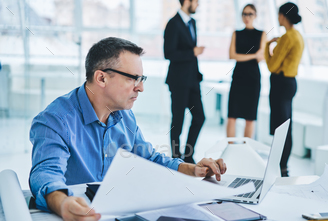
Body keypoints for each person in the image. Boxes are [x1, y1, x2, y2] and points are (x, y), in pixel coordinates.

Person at [29, 37, 227, 221]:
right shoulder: (55, 120)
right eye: (133, 78)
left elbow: (149, 158)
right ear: (101, 78)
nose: (140, 88)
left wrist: (194, 169)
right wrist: (63, 203)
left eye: (142, 79)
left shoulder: (124, 115)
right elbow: (46, 174)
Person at [265, 2, 304, 177]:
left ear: (283, 16)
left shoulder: (287, 36)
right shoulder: (298, 35)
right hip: (290, 83)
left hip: (280, 84)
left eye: (279, 14)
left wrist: (268, 46)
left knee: (281, 126)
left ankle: (281, 165)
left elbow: (272, 65)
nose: (278, 17)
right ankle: (283, 164)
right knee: (286, 123)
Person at [163, 0, 205, 164]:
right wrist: (192, 52)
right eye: (196, 1)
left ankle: (188, 154)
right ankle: (175, 157)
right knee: (178, 120)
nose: (198, 5)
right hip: (178, 81)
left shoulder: (192, 22)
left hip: (193, 80)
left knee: (199, 117)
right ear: (187, 1)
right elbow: (169, 53)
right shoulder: (173, 24)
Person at [226, 4, 266, 140]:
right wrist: (253, 55)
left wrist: (246, 56)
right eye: (244, 14)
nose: (247, 17)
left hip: (253, 78)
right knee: (232, 116)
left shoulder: (262, 34)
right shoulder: (236, 33)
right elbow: (232, 55)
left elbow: (261, 57)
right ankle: (230, 150)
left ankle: (245, 150)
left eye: (250, 14)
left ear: (255, 16)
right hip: (238, 77)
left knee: (250, 117)